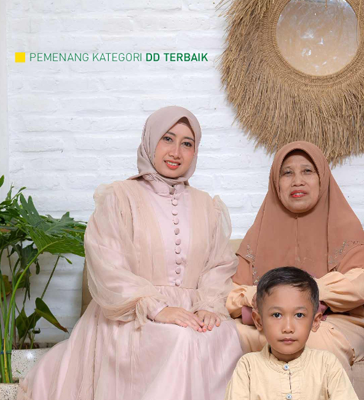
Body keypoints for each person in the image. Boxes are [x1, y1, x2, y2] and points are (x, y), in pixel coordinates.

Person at [18, 106, 242, 400]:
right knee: (179, 339)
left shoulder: (207, 206)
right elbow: (107, 264)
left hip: (193, 313)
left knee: (224, 337)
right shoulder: (120, 197)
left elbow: (218, 264)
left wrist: (207, 306)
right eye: (167, 139)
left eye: (187, 143)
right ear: (150, 141)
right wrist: (156, 308)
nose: (176, 152)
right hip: (130, 314)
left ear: (195, 151)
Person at [226, 141, 364, 372]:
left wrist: (297, 293)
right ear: (276, 183)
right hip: (269, 323)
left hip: (335, 322)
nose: (297, 181)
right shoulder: (260, 231)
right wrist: (269, 299)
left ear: (322, 178)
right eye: (287, 173)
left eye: (307, 171)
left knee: (311, 342)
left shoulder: (344, 225)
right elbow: (231, 295)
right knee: (225, 338)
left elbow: (361, 285)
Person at [225, 266, 359, 400]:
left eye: (299, 315)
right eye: (277, 315)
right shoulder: (248, 367)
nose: (288, 328)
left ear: (315, 321)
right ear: (259, 321)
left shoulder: (327, 364)